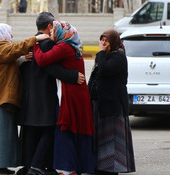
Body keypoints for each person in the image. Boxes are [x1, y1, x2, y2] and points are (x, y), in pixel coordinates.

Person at [16, 12, 84, 175]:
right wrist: (73, 76)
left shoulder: (31, 41)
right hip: (44, 96)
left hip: (29, 96)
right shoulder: (46, 43)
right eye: (54, 25)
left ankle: (29, 166)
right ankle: (37, 166)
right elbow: (49, 66)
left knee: (31, 130)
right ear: (48, 26)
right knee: (49, 130)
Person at [0, 23, 49, 175]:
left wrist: (22, 59)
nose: (11, 36)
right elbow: (13, 49)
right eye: (9, 33)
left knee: (1, 135)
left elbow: (7, 61)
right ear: (2, 34)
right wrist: (35, 39)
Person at [33, 21, 95, 175]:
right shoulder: (73, 45)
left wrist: (35, 44)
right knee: (78, 130)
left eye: (54, 31)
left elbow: (42, 60)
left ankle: (68, 169)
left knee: (65, 129)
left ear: (62, 33)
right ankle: (81, 167)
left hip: (70, 94)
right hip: (78, 93)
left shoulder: (63, 47)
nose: (51, 34)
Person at [88, 29, 136, 175]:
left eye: (106, 40)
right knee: (101, 137)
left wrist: (101, 53)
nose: (103, 43)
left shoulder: (118, 56)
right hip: (102, 103)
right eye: (101, 40)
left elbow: (104, 70)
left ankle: (112, 168)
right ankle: (101, 166)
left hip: (112, 105)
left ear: (113, 42)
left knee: (112, 137)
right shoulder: (107, 55)